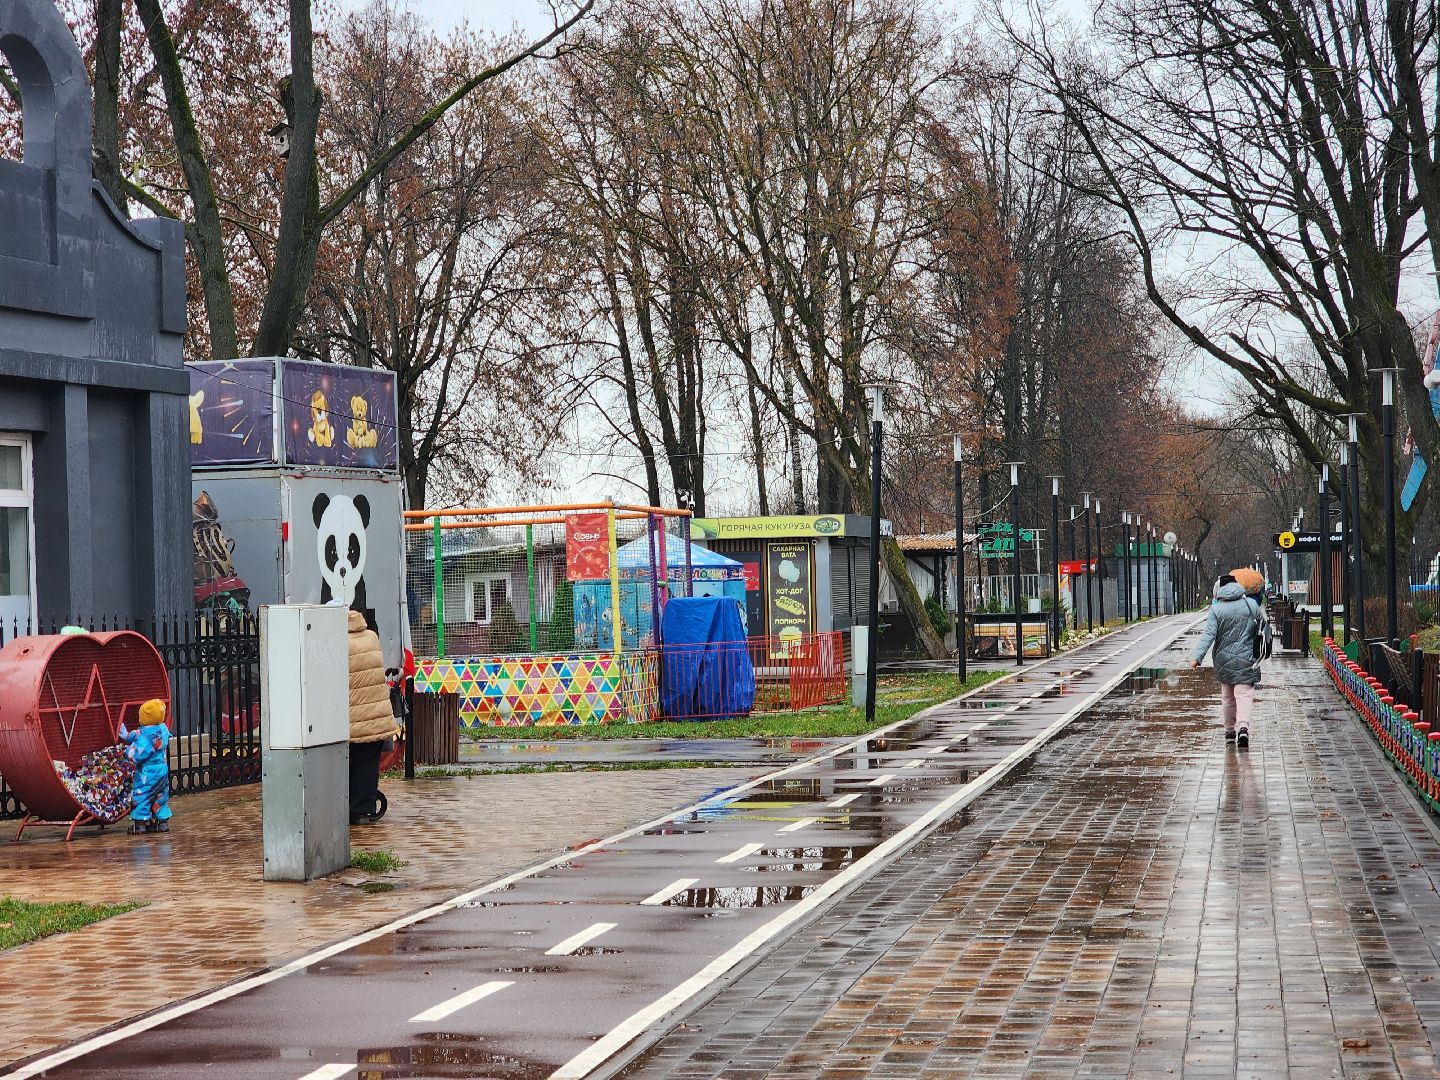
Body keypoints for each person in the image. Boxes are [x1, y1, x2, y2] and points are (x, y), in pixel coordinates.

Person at [1189, 574, 1263, 747]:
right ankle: (1243, 728)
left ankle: (1230, 731)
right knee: (1244, 694)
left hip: (1224, 659)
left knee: (1228, 697)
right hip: (1248, 658)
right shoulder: (1251, 605)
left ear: (1219, 589)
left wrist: (1197, 657)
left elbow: (1209, 635)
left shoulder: (1216, 610)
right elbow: (1261, 629)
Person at [346, 607, 394, 823]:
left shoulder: (338, 642)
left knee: (347, 764)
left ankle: (347, 807)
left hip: (353, 717)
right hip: (376, 716)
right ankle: (362, 809)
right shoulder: (371, 637)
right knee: (367, 764)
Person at [120, 698, 172, 834]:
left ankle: (140, 824)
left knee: (143, 794)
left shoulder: (146, 737)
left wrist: (126, 752)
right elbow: (140, 733)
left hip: (148, 773)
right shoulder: (162, 729)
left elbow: (138, 753)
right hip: (162, 770)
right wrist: (127, 736)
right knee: (160, 795)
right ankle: (162, 823)